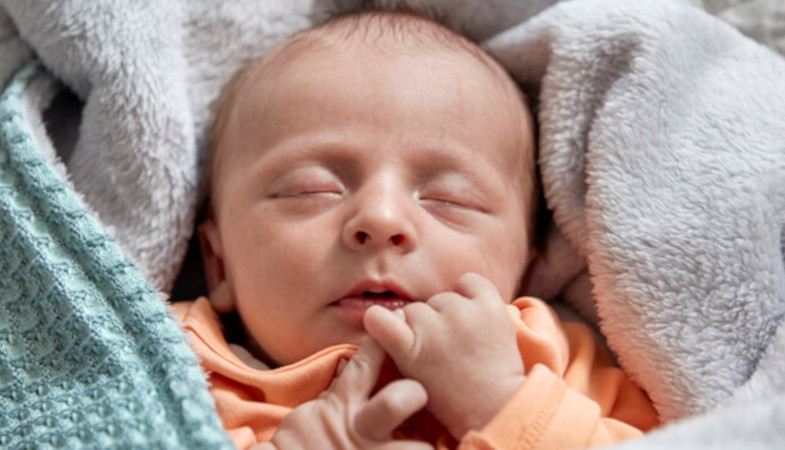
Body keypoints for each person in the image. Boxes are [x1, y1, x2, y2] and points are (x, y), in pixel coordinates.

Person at [171, 9, 659, 450]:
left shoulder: (549, 362)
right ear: (219, 264)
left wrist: (505, 406)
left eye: (449, 200)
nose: (382, 219)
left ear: (523, 277)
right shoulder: (179, 368)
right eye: (311, 189)